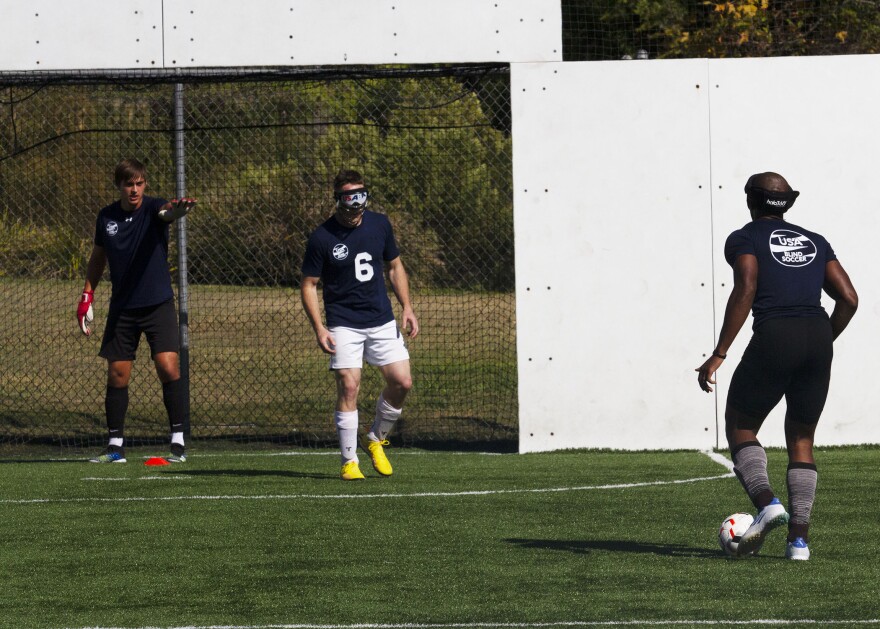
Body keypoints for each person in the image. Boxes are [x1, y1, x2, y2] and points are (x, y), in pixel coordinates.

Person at [696, 172, 858, 560]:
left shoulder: (744, 237)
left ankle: (768, 504)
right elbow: (850, 298)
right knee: (802, 438)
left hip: (775, 332)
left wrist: (719, 352)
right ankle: (798, 543)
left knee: (741, 424)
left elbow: (747, 287)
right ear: (788, 203)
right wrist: (820, 341)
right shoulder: (816, 241)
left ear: (751, 199)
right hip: (819, 335)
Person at [300, 169, 419, 481]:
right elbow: (309, 285)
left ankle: (375, 437)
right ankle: (349, 461)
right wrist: (320, 328)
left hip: (381, 319)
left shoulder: (379, 224)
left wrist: (407, 306)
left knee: (402, 382)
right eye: (349, 199)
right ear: (338, 199)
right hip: (343, 324)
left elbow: (394, 266)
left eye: (361, 197)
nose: (356, 207)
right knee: (349, 385)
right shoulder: (322, 237)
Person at [77, 158, 197, 464]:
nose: (134, 189)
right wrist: (87, 295)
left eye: (139, 183)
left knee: (168, 365)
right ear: (119, 185)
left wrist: (176, 211)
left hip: (158, 304)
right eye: (129, 184)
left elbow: (166, 211)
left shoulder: (153, 208)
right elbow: (98, 257)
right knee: (117, 374)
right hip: (123, 308)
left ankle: (178, 439)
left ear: (145, 184)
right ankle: (115, 447)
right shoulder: (106, 217)